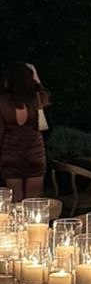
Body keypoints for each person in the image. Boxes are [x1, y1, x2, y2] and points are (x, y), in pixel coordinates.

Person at [0, 61, 51, 201]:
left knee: (15, 200)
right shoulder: (38, 98)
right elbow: (46, 94)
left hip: (10, 152)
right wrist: (37, 80)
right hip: (35, 151)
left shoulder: (2, 101)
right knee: (33, 200)